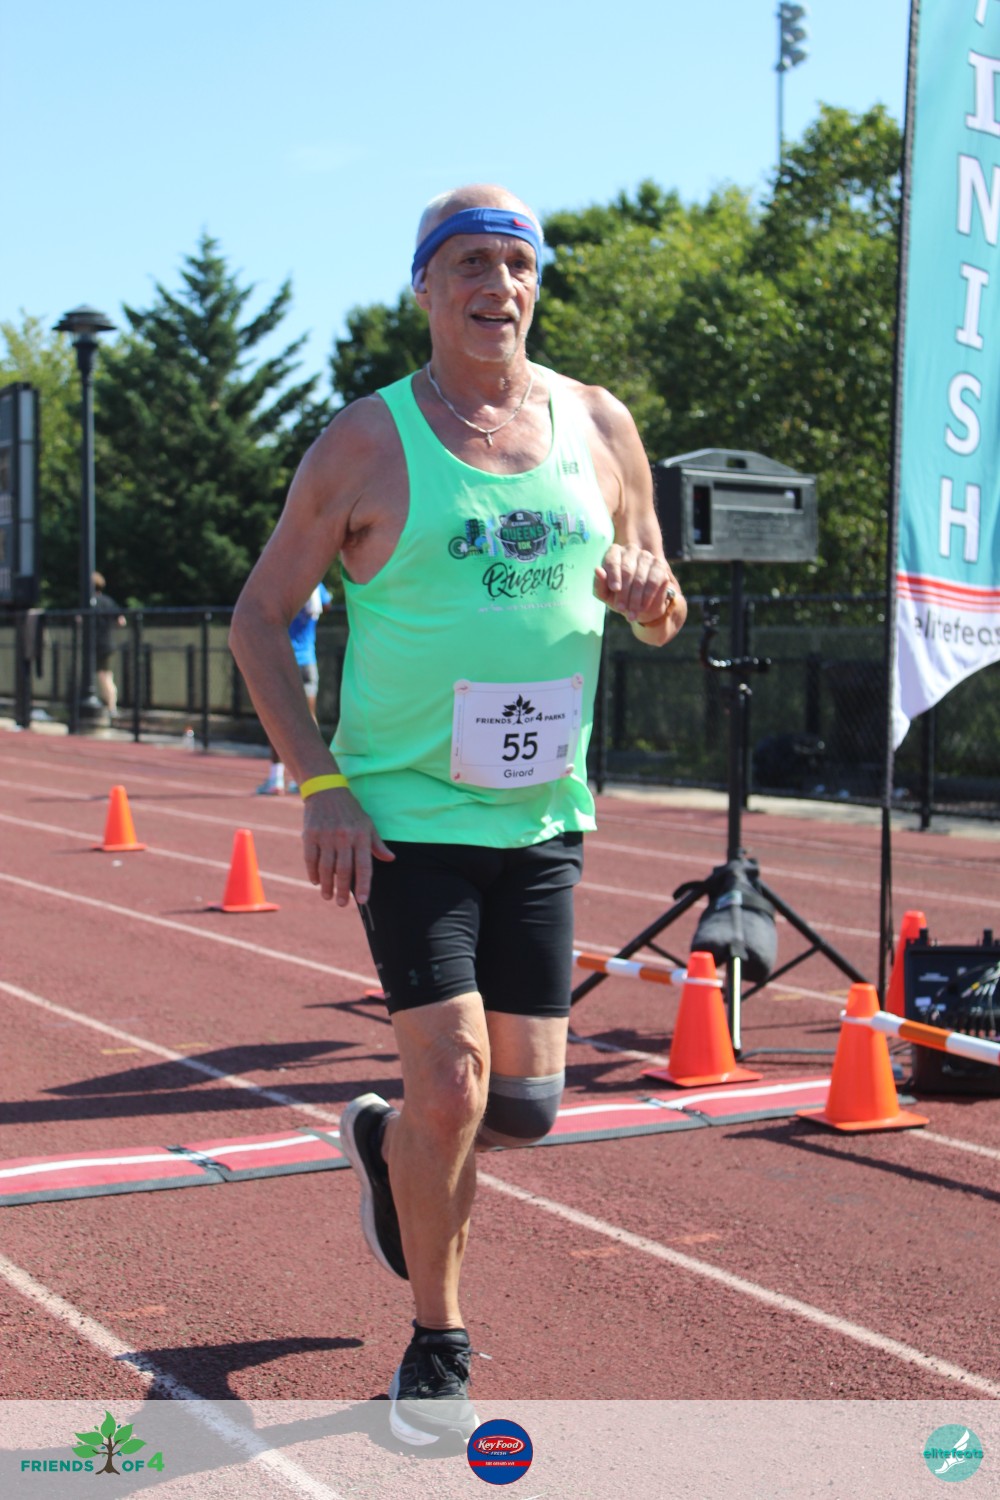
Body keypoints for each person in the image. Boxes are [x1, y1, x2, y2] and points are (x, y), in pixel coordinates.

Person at [229, 184, 687, 1446]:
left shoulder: (599, 424)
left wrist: (650, 597)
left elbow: (660, 603)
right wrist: (321, 784)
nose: (500, 284)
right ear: (426, 286)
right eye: (472, 263)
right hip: (403, 816)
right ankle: (439, 1343)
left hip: (539, 815)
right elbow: (258, 619)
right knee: (454, 1081)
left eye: (518, 264)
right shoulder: (364, 443)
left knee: (519, 1111)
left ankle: (387, 1150)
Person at [256, 581, 332, 794]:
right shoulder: (315, 586)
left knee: (276, 719)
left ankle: (276, 778)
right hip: (308, 663)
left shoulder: (285, 582)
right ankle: (312, 775)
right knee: (309, 719)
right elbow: (327, 605)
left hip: (284, 662)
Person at [92, 572, 126, 719]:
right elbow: (121, 621)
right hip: (108, 642)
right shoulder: (108, 601)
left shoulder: (91, 602)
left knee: (104, 676)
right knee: (106, 676)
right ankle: (109, 706)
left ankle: (112, 708)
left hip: (98, 644)